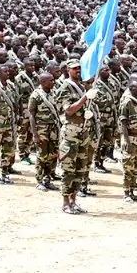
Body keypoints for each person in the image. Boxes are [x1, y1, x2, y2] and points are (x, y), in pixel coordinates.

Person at [55, 59, 90, 214]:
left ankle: (74, 200)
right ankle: (65, 202)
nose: (78, 71)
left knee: (80, 169)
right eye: (75, 68)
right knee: (68, 169)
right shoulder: (64, 88)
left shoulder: (82, 87)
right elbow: (69, 110)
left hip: (83, 133)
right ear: (68, 70)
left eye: (79, 68)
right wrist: (85, 98)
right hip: (70, 133)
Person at [28, 72, 60, 191]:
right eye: (50, 80)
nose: (53, 82)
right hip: (41, 128)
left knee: (52, 155)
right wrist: (35, 134)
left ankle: (48, 179)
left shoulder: (54, 93)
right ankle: (39, 180)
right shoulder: (36, 96)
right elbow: (31, 115)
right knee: (42, 155)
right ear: (43, 82)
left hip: (53, 129)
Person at [118, 81, 137, 202]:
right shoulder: (126, 102)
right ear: (131, 88)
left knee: (136, 166)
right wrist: (127, 142)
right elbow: (123, 124)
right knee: (128, 167)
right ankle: (126, 192)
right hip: (130, 139)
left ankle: (133, 190)